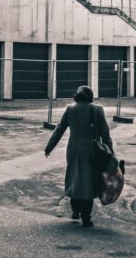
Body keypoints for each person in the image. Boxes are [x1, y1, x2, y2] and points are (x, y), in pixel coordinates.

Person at [44, 85, 112, 228]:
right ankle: (86, 218)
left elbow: (59, 130)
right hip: (91, 151)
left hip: (73, 149)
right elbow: (105, 134)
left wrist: (49, 147)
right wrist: (110, 152)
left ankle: (75, 210)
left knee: (75, 178)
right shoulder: (97, 109)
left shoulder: (70, 109)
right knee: (88, 181)